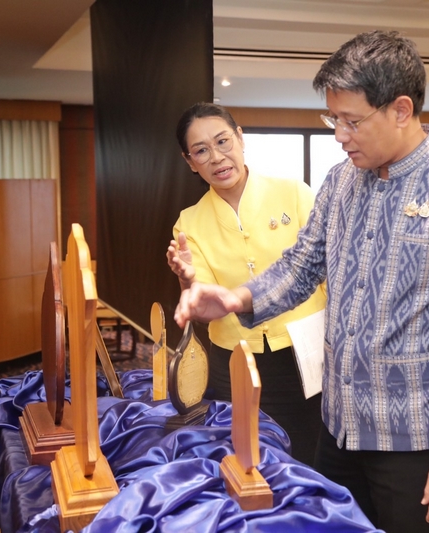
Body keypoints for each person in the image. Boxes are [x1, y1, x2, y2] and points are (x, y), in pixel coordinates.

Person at [174, 30, 429, 533]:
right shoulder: (341, 181)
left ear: (401, 110)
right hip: (339, 428)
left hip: (415, 439)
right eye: (333, 119)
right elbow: (301, 265)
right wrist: (233, 298)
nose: (340, 135)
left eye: (352, 121)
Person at [166, 102, 326, 465]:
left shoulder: (293, 193)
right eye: (201, 151)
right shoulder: (189, 222)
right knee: (246, 458)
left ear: (240, 138)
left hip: (306, 352)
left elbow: (327, 272)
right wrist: (187, 282)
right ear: (190, 162)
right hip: (234, 358)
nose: (216, 157)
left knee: (310, 455)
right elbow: (205, 307)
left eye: (223, 141)